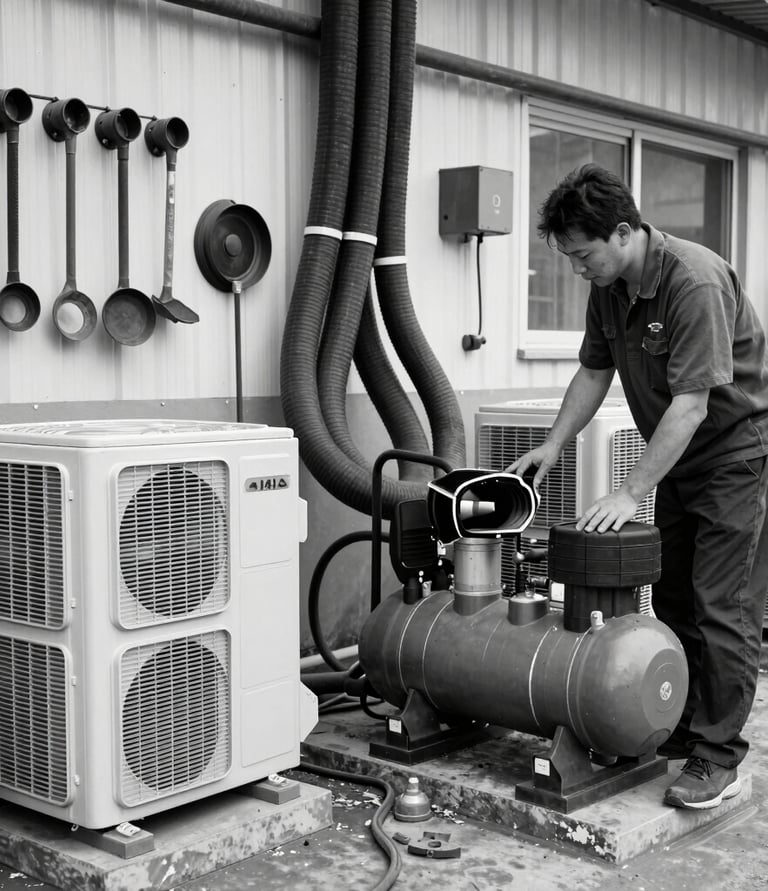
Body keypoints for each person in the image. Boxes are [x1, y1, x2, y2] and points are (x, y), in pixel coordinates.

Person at [509, 163, 768, 810]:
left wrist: (630, 490)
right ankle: (679, 723)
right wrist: (552, 443)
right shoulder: (612, 288)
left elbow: (691, 405)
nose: (577, 269)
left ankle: (719, 755)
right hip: (681, 460)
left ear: (623, 233)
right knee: (674, 598)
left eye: (583, 254)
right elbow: (594, 374)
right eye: (567, 257)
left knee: (721, 606)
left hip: (733, 455)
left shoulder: (694, 280)